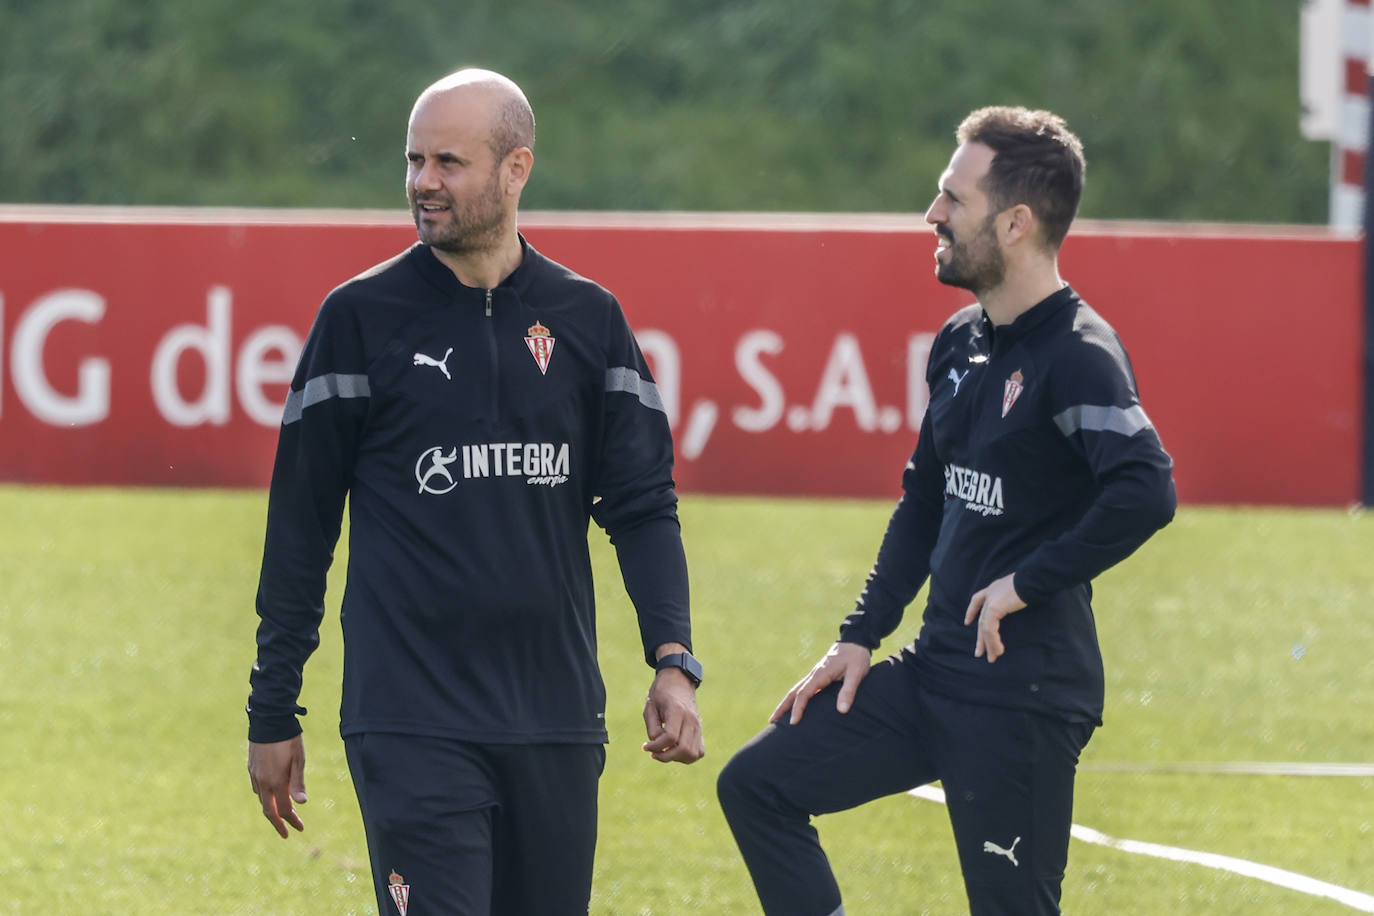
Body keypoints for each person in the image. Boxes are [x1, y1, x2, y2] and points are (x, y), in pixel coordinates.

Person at [245, 68, 705, 916]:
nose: (423, 182)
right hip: (410, 719)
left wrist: (672, 662)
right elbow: (301, 527)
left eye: (449, 162)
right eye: (414, 160)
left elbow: (642, 506)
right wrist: (273, 706)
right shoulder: (358, 318)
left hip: (558, 721)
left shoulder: (589, 319)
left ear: (516, 168)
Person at [716, 106, 1176, 916]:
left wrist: (1025, 583)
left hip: (1023, 696)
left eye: (952, 199)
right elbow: (925, 499)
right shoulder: (960, 342)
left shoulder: (1079, 356)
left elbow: (1146, 488)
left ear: (1016, 222)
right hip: (933, 674)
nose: (931, 215)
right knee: (757, 786)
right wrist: (859, 636)